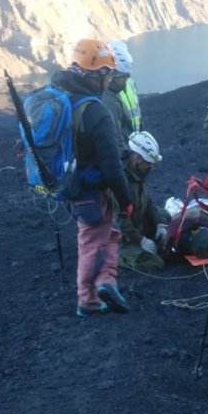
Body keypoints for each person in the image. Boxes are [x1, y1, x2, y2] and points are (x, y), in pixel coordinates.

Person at [53, 38, 135, 318]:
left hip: (70, 183)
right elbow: (112, 165)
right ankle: (86, 301)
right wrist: (127, 200)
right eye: (107, 73)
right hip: (91, 189)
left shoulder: (62, 97)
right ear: (97, 74)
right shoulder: (96, 111)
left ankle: (106, 283)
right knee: (91, 241)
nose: (109, 79)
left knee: (109, 234)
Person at [117, 131, 172, 274]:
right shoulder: (120, 182)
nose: (151, 167)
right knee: (154, 264)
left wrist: (160, 223)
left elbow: (148, 202)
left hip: (137, 224)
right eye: (148, 163)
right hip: (121, 239)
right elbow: (121, 221)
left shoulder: (136, 174)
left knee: (165, 216)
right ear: (136, 158)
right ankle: (115, 257)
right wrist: (141, 240)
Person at [103, 41, 142, 148]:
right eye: (122, 77)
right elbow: (115, 134)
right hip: (125, 145)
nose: (125, 80)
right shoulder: (108, 99)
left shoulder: (129, 84)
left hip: (133, 138)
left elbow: (136, 110)